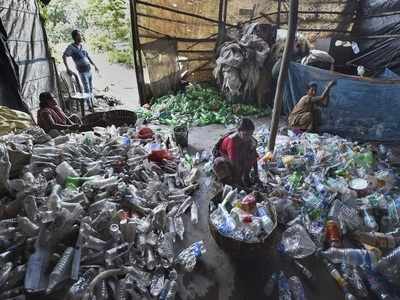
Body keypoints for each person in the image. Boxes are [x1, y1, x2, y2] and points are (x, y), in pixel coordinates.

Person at [213, 118, 259, 187]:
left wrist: (256, 175)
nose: (248, 137)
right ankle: (231, 182)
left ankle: (244, 178)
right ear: (239, 131)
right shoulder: (232, 142)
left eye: (251, 134)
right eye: (246, 134)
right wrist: (241, 184)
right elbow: (234, 164)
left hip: (237, 158)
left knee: (250, 154)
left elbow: (254, 158)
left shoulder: (250, 140)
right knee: (219, 163)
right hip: (227, 159)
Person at [63, 29, 99, 110]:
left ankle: (92, 103)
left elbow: (87, 57)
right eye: (79, 35)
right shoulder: (71, 47)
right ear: (75, 37)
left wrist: (94, 65)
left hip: (89, 70)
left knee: (90, 87)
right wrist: (67, 68)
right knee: (86, 88)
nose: (81, 36)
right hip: (82, 71)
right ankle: (90, 106)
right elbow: (64, 56)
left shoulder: (82, 46)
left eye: (80, 35)